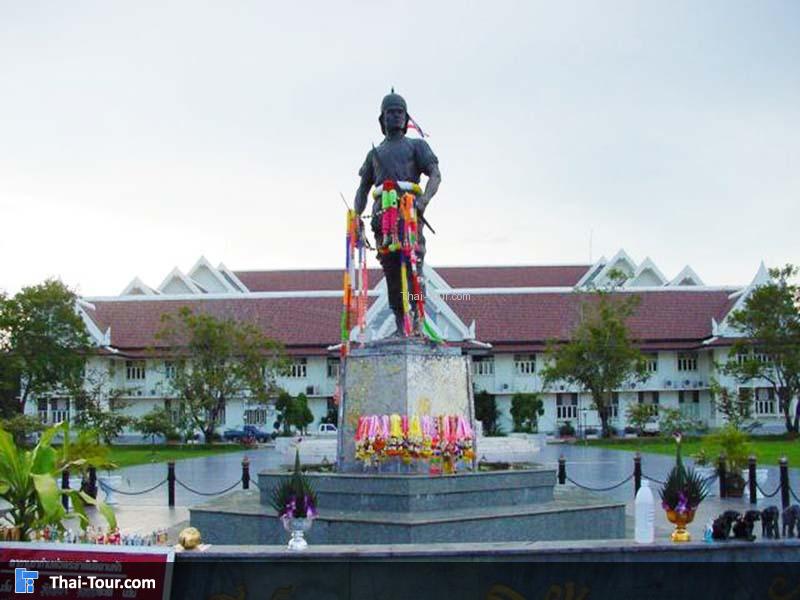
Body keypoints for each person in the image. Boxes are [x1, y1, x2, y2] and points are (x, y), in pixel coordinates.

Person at [353, 91, 442, 336]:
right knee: (391, 270)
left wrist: (424, 200)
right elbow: (362, 190)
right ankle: (401, 322)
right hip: (382, 217)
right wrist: (355, 217)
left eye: (399, 112)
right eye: (390, 112)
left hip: (409, 214)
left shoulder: (417, 146)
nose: (395, 116)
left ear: (406, 117)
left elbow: (435, 175)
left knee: (414, 266)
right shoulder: (374, 155)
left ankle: (417, 319)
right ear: (382, 119)